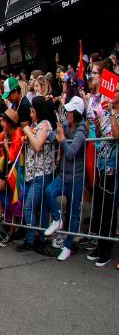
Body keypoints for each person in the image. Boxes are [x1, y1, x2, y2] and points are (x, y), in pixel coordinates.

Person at [43, 96, 88, 261]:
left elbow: (70, 152)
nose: (66, 113)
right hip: (63, 176)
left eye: (69, 111)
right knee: (49, 192)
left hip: (76, 178)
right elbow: (53, 134)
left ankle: (68, 246)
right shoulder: (68, 126)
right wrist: (52, 134)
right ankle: (57, 219)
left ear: (76, 113)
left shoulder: (81, 130)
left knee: (74, 213)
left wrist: (61, 139)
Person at [19, 96, 59, 254]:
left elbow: (37, 145)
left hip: (41, 173)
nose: (30, 113)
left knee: (29, 208)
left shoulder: (45, 125)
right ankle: (36, 237)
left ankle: (33, 238)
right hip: (32, 172)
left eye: (32, 110)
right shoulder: (37, 125)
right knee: (37, 208)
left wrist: (28, 131)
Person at [86, 88, 118, 267]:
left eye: (117, 91)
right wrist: (98, 123)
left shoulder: (114, 114)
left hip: (113, 170)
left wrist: (112, 113)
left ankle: (107, 250)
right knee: (99, 208)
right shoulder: (106, 113)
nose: (113, 93)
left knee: (109, 212)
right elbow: (99, 136)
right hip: (101, 167)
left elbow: (116, 134)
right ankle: (99, 245)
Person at [0, 109, 24, 247]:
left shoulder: (17, 134)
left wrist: (5, 147)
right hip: (5, 171)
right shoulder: (5, 133)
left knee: (12, 202)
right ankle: (0, 214)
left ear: (9, 123)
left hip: (15, 172)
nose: (1, 123)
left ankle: (11, 232)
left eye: (3, 121)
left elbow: (13, 158)